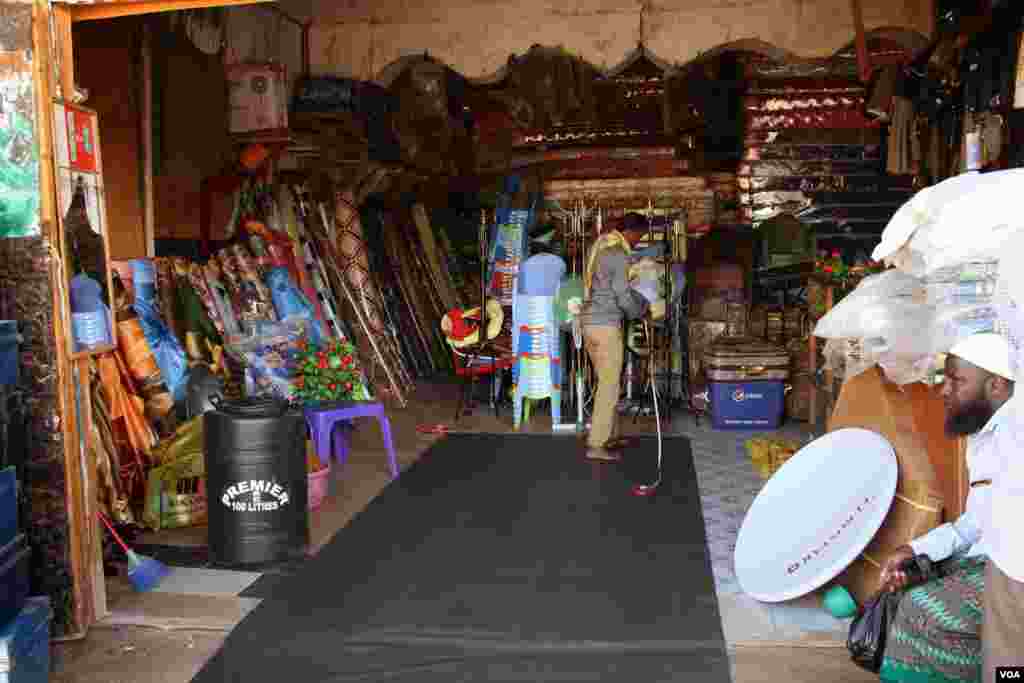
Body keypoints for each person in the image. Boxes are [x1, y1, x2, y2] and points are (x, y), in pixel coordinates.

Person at [877, 333, 1015, 683]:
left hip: (1014, 575)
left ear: (997, 385)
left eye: (957, 380)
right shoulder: (984, 435)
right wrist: (915, 550)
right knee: (905, 596)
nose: (944, 390)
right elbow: (976, 522)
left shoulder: (1016, 438)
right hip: (994, 563)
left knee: (929, 609)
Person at [578, 227, 647, 462]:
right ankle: (596, 445)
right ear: (630, 232)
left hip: (589, 323)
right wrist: (639, 311)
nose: (639, 241)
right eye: (639, 235)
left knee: (607, 382)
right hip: (606, 325)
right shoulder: (618, 253)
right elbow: (622, 294)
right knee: (609, 385)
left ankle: (611, 433)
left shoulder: (598, 248)